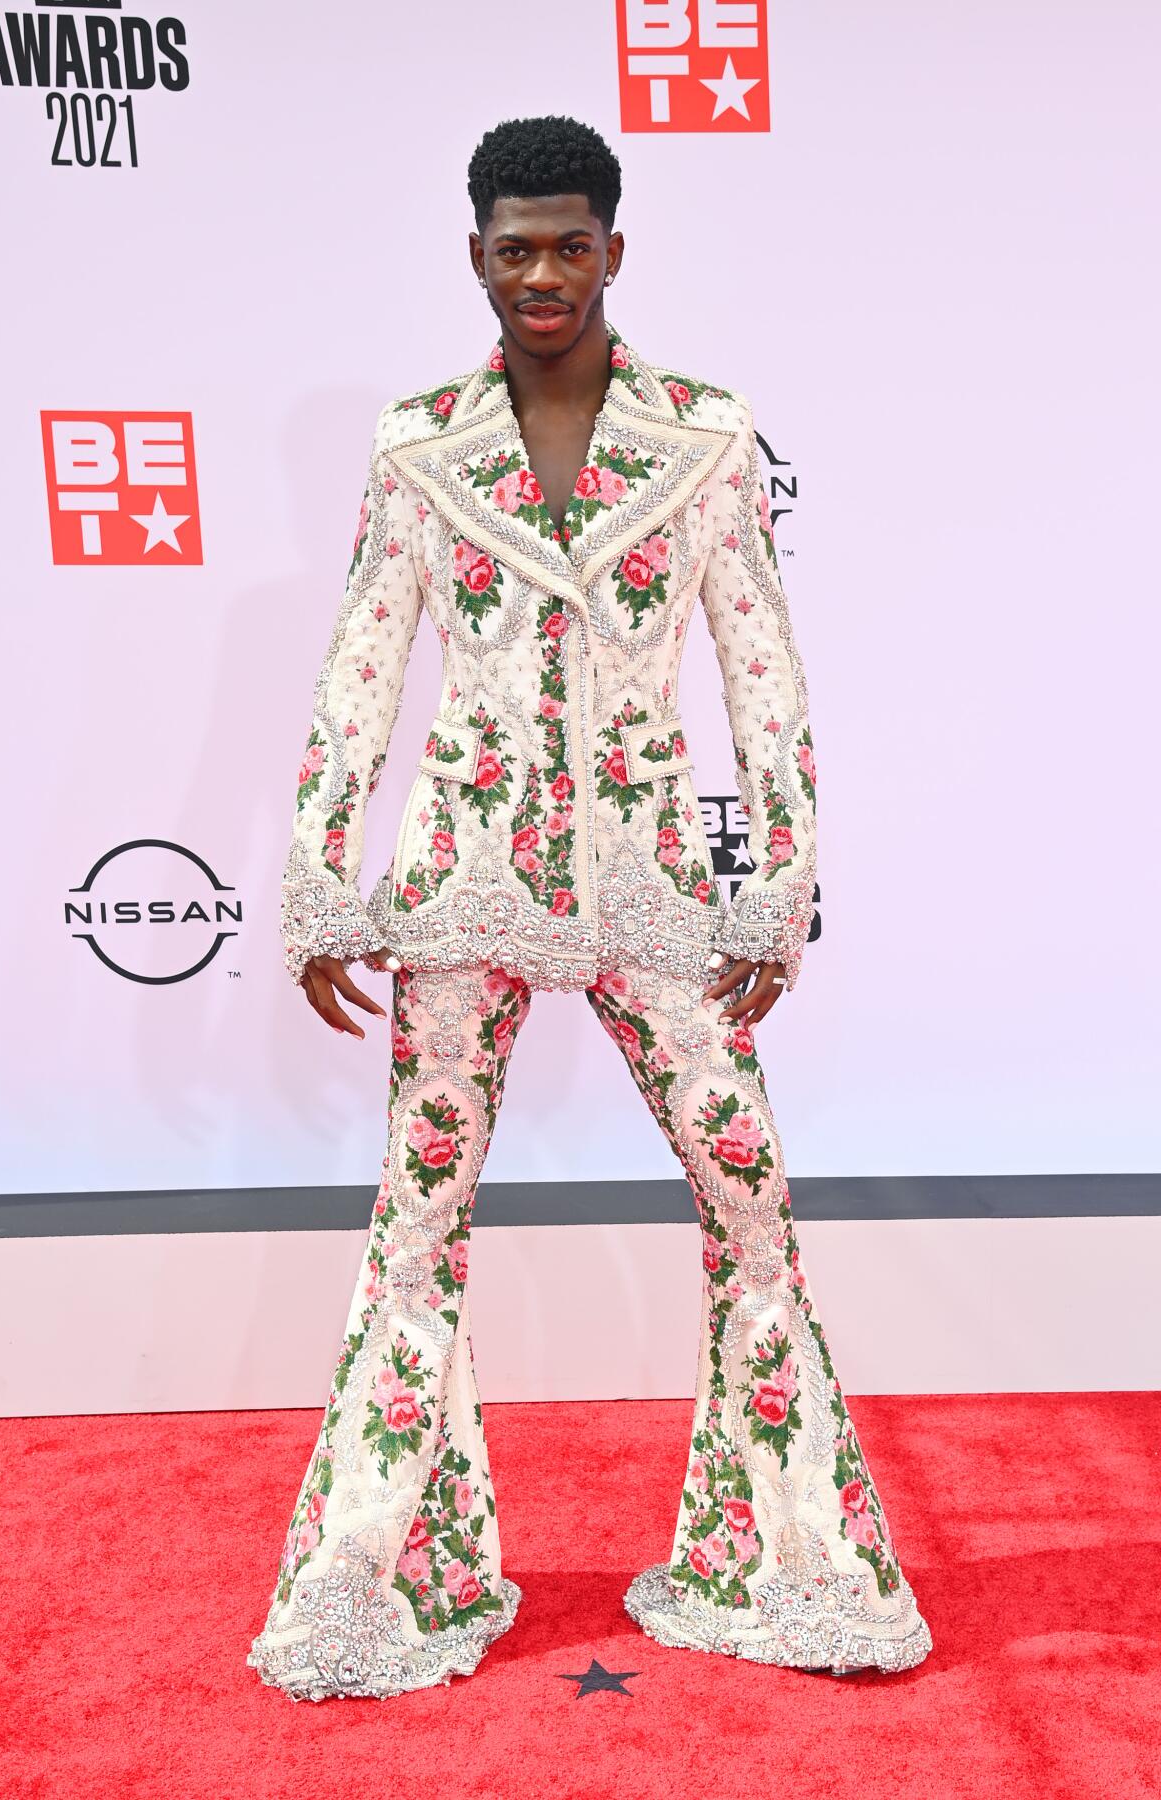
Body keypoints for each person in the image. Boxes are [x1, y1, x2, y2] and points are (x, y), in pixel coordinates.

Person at [247, 114, 932, 1701]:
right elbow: (365, 659)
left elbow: (764, 663)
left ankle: (786, 1561)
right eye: (513, 248)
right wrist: (317, 875)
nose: (542, 273)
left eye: (569, 245)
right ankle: (376, 1582)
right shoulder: (420, 443)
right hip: (459, 886)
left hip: (653, 884)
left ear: (616, 251)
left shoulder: (703, 434)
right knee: (417, 1230)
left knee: (749, 1199)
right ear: (474, 259)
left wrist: (780, 878)